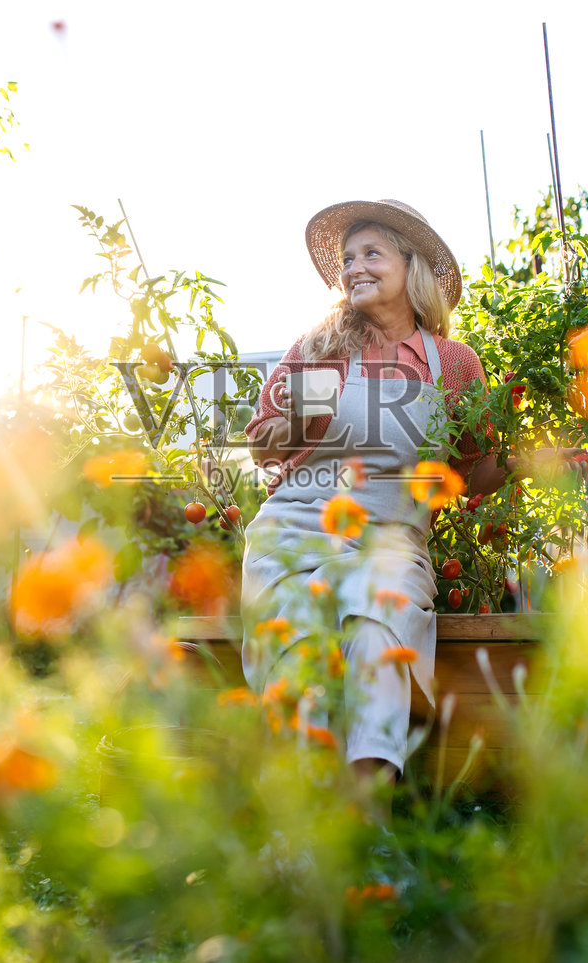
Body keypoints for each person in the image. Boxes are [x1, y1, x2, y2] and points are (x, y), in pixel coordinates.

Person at [241, 199, 512, 793]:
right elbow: (263, 445)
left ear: (409, 266)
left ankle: (370, 822)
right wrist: (295, 416)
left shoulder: (454, 364)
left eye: (371, 253)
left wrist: (526, 465)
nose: (355, 266)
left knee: (375, 632)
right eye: (347, 258)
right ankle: (303, 837)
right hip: (295, 533)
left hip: (390, 543)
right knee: (297, 649)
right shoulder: (320, 347)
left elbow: (474, 469)